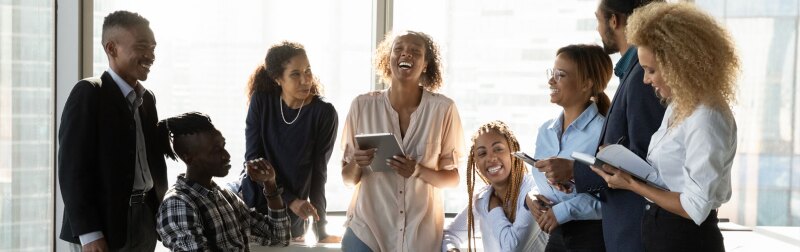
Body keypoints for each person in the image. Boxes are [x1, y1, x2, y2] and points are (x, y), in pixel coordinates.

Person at [591, 3, 739, 252]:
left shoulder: (708, 117)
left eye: (651, 70)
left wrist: (632, 185)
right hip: (662, 231)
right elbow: (670, 181)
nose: (645, 79)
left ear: (678, 65)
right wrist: (623, 166)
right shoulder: (680, 105)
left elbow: (694, 207)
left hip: (687, 240)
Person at [533, 1, 666, 251]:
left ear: (614, 21)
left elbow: (645, 164)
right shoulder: (631, 74)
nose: (597, 28)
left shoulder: (640, 79)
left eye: (598, 19)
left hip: (626, 233)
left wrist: (574, 170)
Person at [340, 30, 465, 252]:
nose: (406, 54)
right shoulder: (361, 106)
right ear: (388, 59)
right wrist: (357, 162)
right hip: (367, 232)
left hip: (419, 237)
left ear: (425, 64)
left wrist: (418, 171)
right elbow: (348, 179)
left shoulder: (444, 109)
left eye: (415, 51)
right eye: (398, 49)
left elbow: (452, 179)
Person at [58, 10, 167, 251]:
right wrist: (89, 234)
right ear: (111, 48)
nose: (150, 55)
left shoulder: (147, 99)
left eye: (153, 48)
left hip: (145, 219)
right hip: (104, 225)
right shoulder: (89, 93)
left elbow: (152, 160)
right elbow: (72, 170)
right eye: (142, 47)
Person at [239, 41, 340, 243]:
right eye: (295, 74)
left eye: (308, 71)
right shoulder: (261, 101)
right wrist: (291, 199)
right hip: (252, 204)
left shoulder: (324, 113)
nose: (305, 80)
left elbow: (319, 172)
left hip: (292, 216)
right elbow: (253, 160)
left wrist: (321, 230)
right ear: (278, 78)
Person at [155, 112, 291, 250]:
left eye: (223, 146)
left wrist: (270, 184)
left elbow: (279, 238)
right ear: (189, 158)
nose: (227, 155)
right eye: (216, 150)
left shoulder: (227, 197)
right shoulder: (178, 204)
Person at [528, 44, 611, 252]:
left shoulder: (603, 133)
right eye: (552, 73)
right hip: (556, 237)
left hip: (591, 240)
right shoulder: (545, 131)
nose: (551, 81)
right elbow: (543, 184)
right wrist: (531, 197)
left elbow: (613, 198)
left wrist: (564, 211)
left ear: (586, 84)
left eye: (561, 75)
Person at [442, 121, 535, 252]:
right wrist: (452, 250)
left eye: (498, 149)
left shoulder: (532, 192)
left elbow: (513, 247)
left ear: (513, 151)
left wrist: (494, 208)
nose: (491, 158)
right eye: (482, 153)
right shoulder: (483, 198)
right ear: (476, 163)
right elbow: (450, 234)